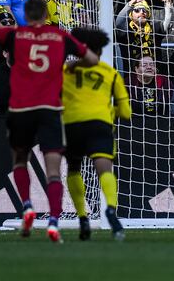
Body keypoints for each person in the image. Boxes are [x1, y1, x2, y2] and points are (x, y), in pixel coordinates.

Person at [0, 0, 99, 243]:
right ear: (47, 14)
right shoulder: (59, 36)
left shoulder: (15, 34)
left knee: (19, 161)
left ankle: (26, 205)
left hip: (22, 109)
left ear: (25, 15)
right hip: (50, 109)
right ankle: (54, 220)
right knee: (54, 169)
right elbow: (91, 59)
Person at [62, 27, 131, 241]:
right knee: (105, 170)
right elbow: (127, 113)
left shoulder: (65, 71)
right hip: (100, 124)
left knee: (74, 169)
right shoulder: (110, 73)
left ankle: (83, 217)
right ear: (100, 51)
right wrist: (114, 112)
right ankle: (110, 209)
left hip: (72, 124)